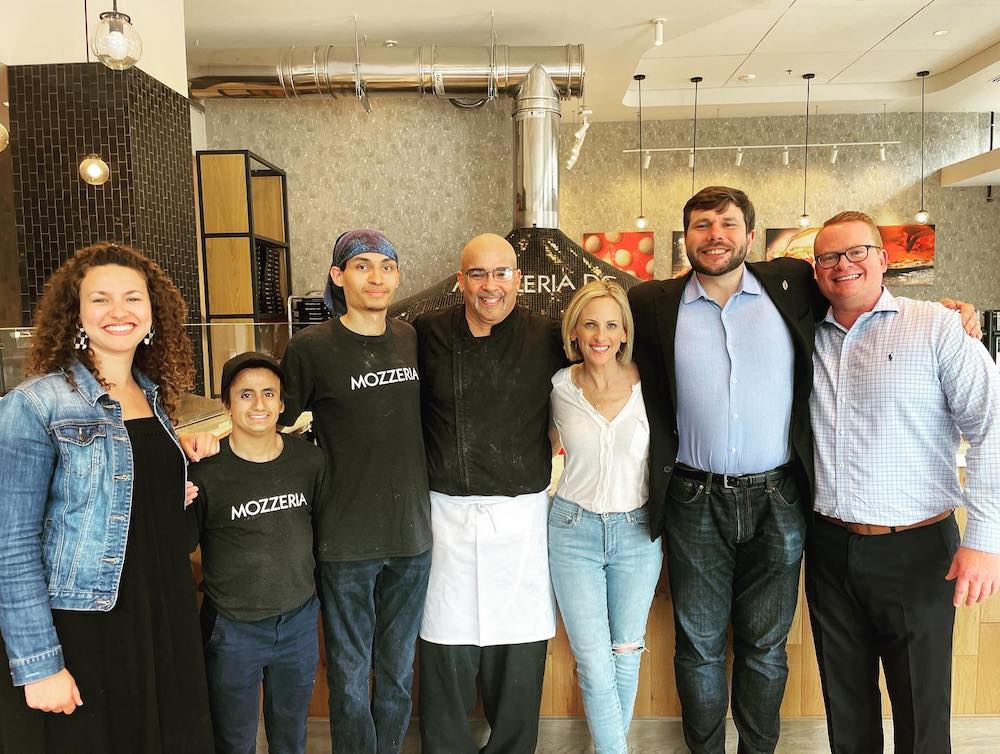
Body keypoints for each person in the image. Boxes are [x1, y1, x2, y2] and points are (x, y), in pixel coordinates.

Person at [0, 241, 213, 753]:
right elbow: (10, 545)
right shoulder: (35, 404)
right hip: (88, 627)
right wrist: (39, 664)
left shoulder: (156, 397)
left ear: (152, 312)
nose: (118, 312)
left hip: (163, 617)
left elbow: (124, 501)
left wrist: (179, 483)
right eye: (100, 299)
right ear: (75, 315)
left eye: (132, 298)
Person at [806, 210, 1000, 753]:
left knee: (921, 712)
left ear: (884, 259)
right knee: (846, 710)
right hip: (829, 546)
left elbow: (993, 425)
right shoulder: (806, 335)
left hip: (917, 549)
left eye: (857, 252)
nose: (843, 265)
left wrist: (985, 541)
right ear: (815, 270)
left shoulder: (936, 326)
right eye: (828, 257)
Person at [279, 229, 432, 754]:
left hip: (412, 536)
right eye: (362, 265)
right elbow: (275, 426)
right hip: (344, 538)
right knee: (348, 672)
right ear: (338, 276)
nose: (376, 276)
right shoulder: (310, 348)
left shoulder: (413, 338)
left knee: (396, 669)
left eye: (386, 266)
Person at [415, 232, 566, 754]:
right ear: (461, 281)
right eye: (477, 274)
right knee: (445, 644)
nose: (490, 285)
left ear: (518, 281)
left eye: (501, 273)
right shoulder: (426, 333)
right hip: (444, 515)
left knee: (519, 647)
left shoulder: (547, 336)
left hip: (520, 519)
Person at [188, 351, 326, 754]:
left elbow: (321, 529)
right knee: (233, 740)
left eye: (269, 394)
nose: (259, 404)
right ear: (227, 405)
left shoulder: (309, 461)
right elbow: (182, 542)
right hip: (232, 630)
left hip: (298, 623)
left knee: (290, 737)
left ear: (283, 404)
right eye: (245, 395)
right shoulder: (205, 470)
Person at [547, 280, 662, 754]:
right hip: (572, 531)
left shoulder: (649, 384)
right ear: (574, 331)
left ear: (624, 333)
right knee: (593, 662)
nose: (601, 334)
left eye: (611, 325)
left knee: (625, 655)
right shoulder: (557, 386)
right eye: (590, 324)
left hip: (637, 532)